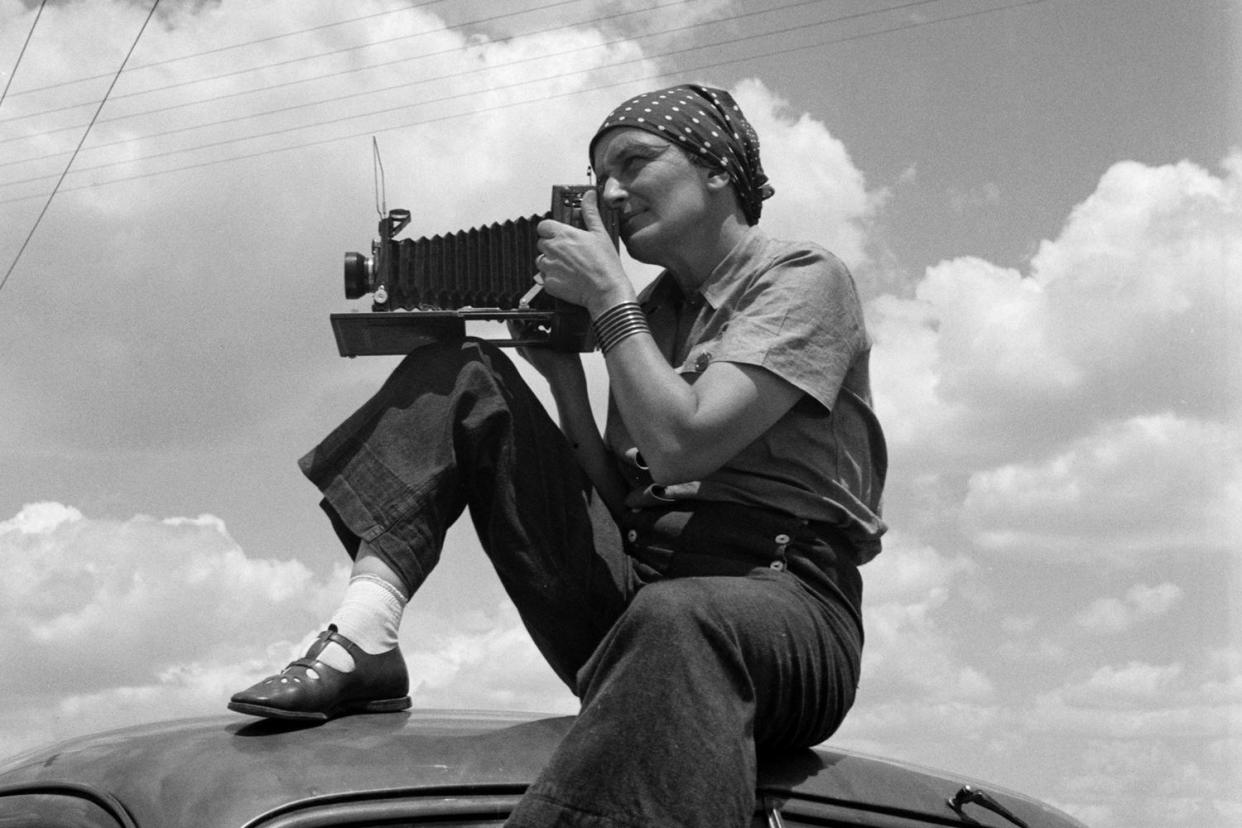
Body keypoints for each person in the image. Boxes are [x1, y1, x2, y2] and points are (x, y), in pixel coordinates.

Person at [229, 83, 887, 827]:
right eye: (600, 175)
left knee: (680, 619)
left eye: (635, 163)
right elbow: (627, 496)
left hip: (784, 608)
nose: (611, 191)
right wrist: (566, 382)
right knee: (469, 375)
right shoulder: (657, 312)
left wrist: (610, 301)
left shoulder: (801, 278)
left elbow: (680, 446)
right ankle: (365, 634)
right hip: (646, 596)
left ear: (717, 170)